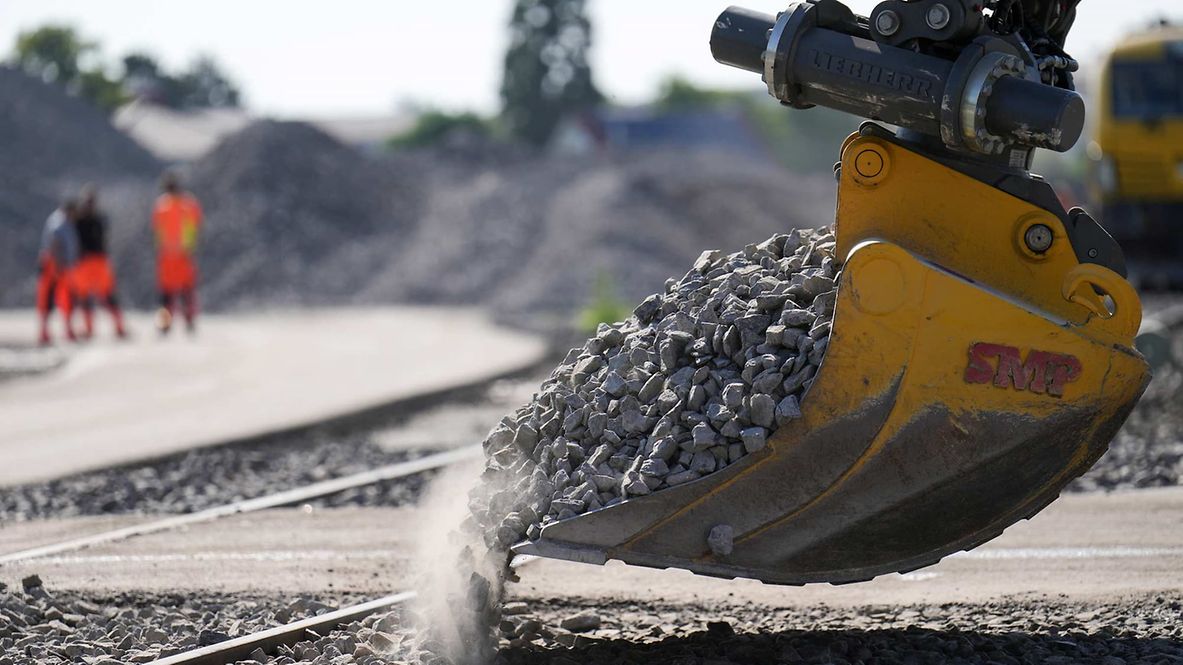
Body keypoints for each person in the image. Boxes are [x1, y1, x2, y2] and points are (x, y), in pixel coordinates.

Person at [72, 184, 128, 339]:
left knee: (98, 295)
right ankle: (113, 327)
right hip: (94, 261)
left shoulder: (82, 220)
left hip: (91, 261)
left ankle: (114, 327)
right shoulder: (98, 219)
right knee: (96, 296)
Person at [152, 171, 203, 334]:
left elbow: (194, 225)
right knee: (171, 293)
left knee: (181, 291)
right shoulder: (176, 205)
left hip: (178, 254)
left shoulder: (173, 205)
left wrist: (188, 246)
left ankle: (185, 321)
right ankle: (170, 323)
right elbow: (158, 231)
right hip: (173, 255)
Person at [36, 199, 80, 345]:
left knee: (66, 298)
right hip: (55, 264)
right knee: (50, 298)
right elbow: (55, 242)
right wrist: (59, 264)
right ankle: (45, 332)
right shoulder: (59, 222)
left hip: (60, 264)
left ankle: (66, 330)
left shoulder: (66, 221)